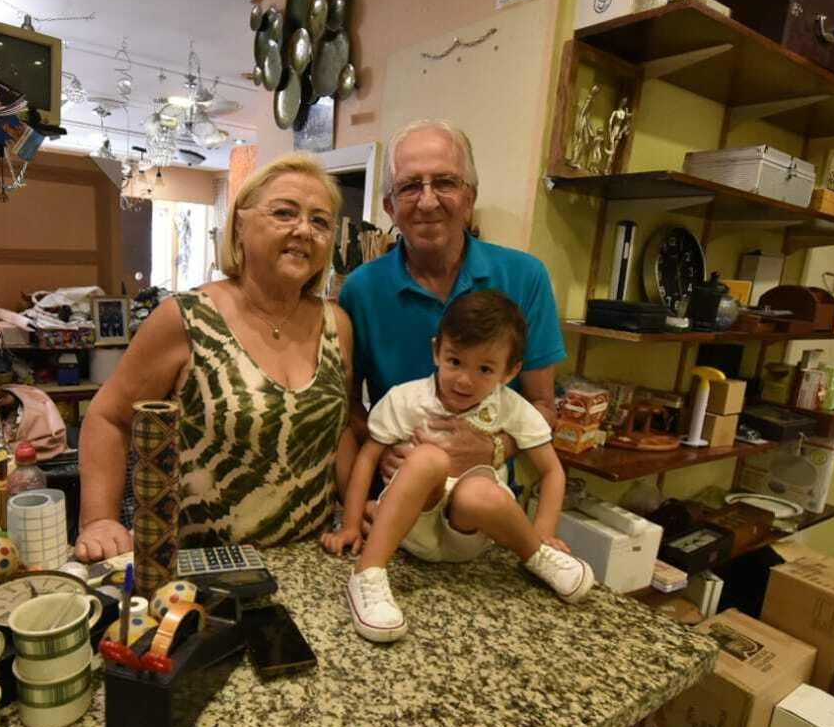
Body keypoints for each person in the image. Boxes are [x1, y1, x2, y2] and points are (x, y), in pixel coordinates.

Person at [73, 153, 355, 560]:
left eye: (320, 221)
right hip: (202, 571)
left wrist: (356, 510)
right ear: (240, 223)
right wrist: (99, 519)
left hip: (308, 564)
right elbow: (109, 417)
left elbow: (341, 430)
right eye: (284, 213)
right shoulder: (186, 318)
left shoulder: (337, 324)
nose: (303, 231)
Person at [323, 290, 593, 643]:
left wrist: (542, 530)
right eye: (455, 362)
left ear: (510, 371)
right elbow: (368, 457)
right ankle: (368, 575)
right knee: (429, 458)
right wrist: (351, 523)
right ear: (437, 351)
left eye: (484, 369)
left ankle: (536, 556)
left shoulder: (510, 408)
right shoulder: (406, 400)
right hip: (409, 529)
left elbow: (553, 471)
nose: (465, 380)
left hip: (471, 536)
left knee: (480, 491)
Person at [339, 120, 566, 484]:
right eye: (410, 186)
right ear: (389, 206)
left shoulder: (526, 277)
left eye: (445, 182)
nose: (428, 201)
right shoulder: (361, 290)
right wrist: (381, 447)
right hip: (388, 504)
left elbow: (544, 407)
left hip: (483, 507)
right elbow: (345, 406)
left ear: (470, 197)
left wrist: (492, 449)